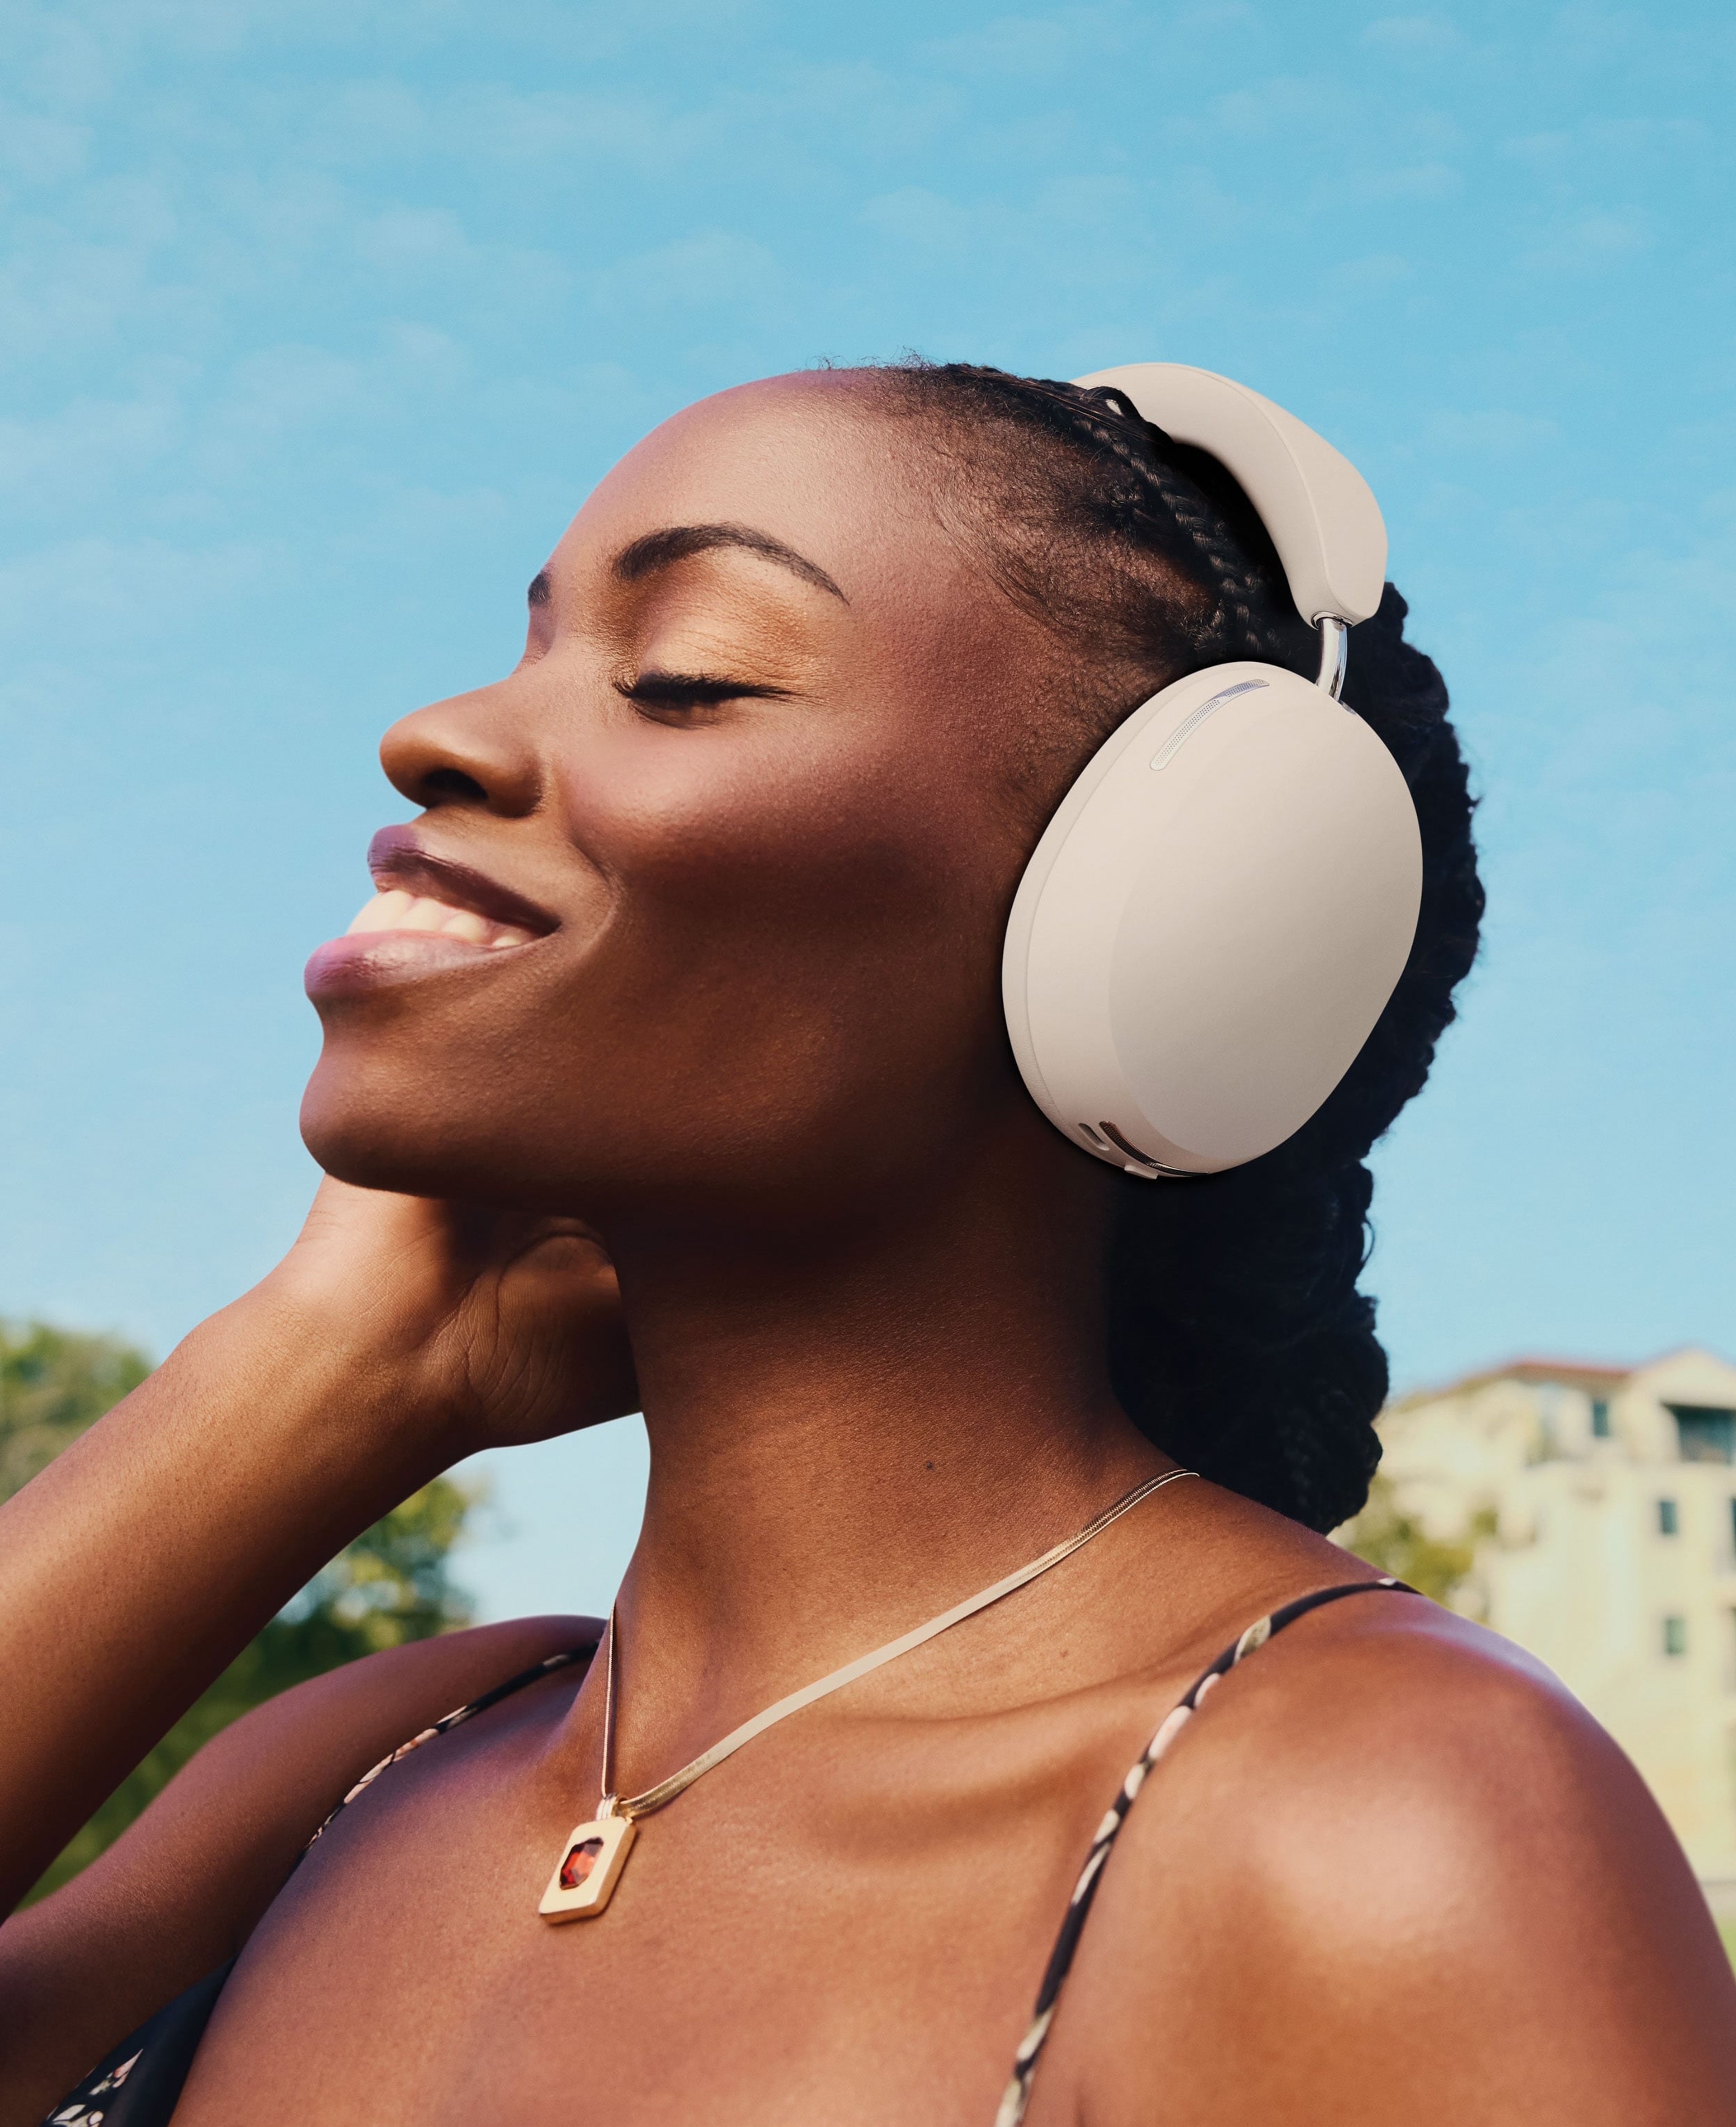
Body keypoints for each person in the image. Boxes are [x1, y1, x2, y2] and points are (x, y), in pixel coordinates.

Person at [3, 363, 1732, 2126]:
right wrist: (317, 1375)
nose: (437, 734)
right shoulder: (378, 1756)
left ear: (1163, 921)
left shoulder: (1375, 1822)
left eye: (684, 676)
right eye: (527, 646)